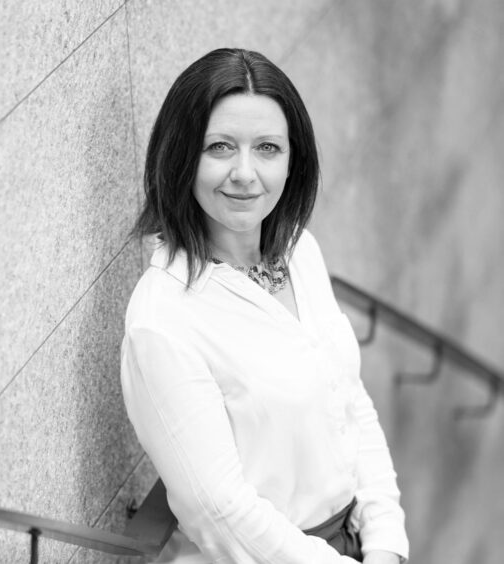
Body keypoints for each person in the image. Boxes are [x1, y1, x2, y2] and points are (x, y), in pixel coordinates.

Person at [121, 48, 409, 563]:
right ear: (180, 156)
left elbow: (348, 400)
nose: (245, 173)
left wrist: (386, 541)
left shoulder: (300, 251)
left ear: (293, 161)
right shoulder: (163, 319)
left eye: (268, 148)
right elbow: (219, 509)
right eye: (220, 147)